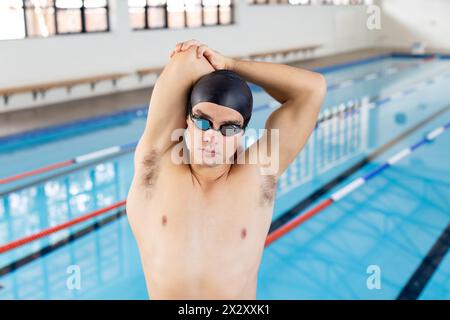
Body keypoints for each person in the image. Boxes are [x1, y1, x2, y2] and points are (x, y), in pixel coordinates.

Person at [126, 39, 326, 299]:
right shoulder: (153, 168)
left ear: (241, 133)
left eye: (229, 127)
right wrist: (218, 68)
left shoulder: (258, 175)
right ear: (186, 120)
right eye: (203, 122)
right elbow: (188, 60)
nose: (212, 137)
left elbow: (312, 89)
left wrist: (233, 65)